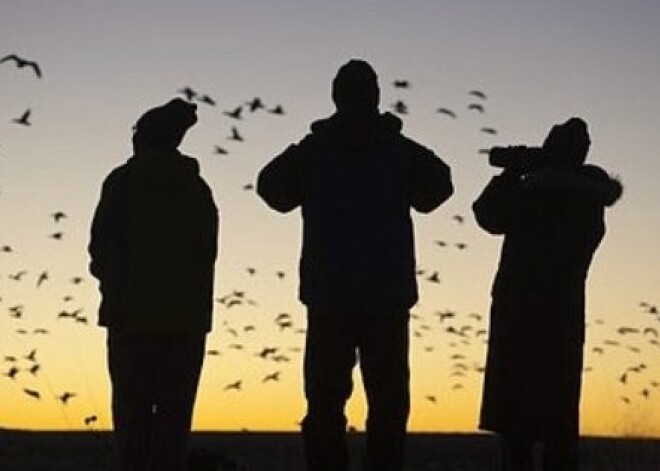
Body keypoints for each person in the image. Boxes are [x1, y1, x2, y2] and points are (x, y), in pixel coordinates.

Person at [256, 59, 453, 471]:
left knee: (325, 405)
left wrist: (314, 144)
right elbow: (440, 186)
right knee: (388, 406)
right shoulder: (398, 151)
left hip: (331, 299)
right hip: (386, 300)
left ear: (336, 98)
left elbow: (271, 188)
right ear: (377, 98)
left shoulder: (317, 151)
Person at [473, 117, 622, 471]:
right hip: (562, 323)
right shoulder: (589, 197)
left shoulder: (538, 196)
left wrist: (514, 174)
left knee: (518, 434)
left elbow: (487, 214)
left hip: (519, 322)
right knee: (557, 432)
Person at [88, 98, 219, 471]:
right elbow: (206, 252)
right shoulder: (197, 189)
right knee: (174, 423)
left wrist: (117, 284)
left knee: (132, 421)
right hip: (185, 324)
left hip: (130, 320)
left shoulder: (121, 184)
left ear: (142, 139)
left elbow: (100, 248)